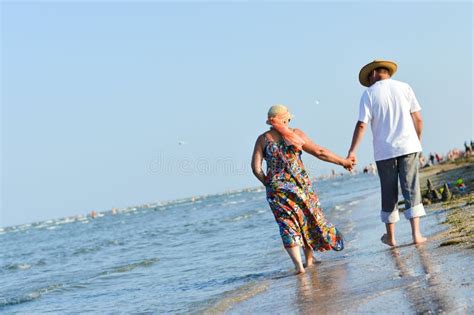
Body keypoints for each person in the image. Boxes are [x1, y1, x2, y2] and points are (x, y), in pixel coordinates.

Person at [251, 104, 354, 275]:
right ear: (284, 119)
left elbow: (255, 168)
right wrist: (343, 162)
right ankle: (310, 261)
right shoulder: (296, 135)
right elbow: (320, 152)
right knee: (307, 218)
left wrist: (269, 183)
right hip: (300, 186)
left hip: (277, 190)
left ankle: (299, 267)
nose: (289, 121)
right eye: (288, 119)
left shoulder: (263, 139)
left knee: (287, 225)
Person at [346, 59, 427, 247]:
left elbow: (361, 124)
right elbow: (419, 119)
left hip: (384, 151)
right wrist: (417, 142)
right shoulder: (405, 87)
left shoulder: (368, 94)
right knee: (411, 188)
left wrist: (352, 151)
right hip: (409, 146)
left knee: (388, 191)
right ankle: (416, 234)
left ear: (374, 73)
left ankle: (391, 237)